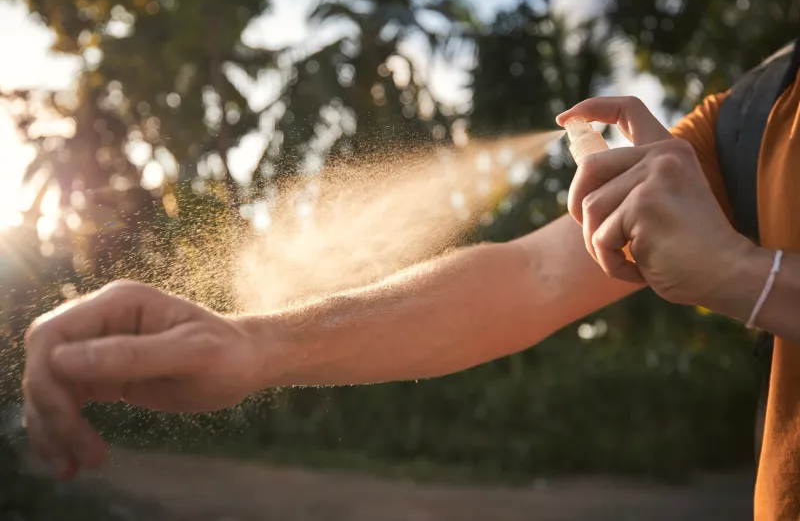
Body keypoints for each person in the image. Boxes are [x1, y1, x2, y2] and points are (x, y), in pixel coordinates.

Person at [21, 87, 800, 519]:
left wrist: (751, 277)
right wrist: (252, 344)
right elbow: (530, 275)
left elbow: (738, 272)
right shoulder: (757, 113)